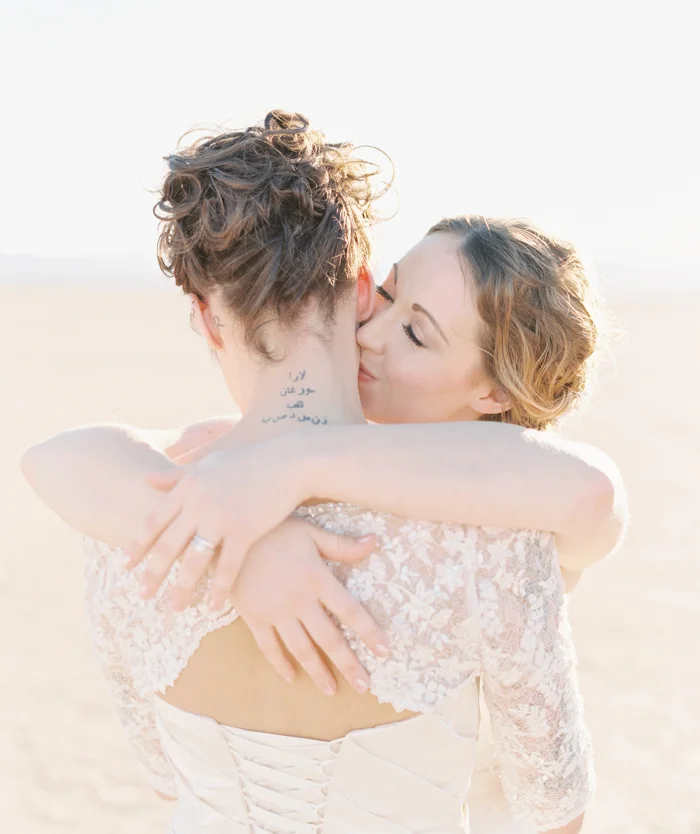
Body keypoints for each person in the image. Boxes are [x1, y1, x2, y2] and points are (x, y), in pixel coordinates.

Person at [22, 110, 608, 833]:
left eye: (417, 329)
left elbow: (169, 786)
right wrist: (255, 541)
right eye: (390, 301)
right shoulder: (496, 540)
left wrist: (233, 539)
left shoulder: (135, 524)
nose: (381, 335)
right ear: (362, 287)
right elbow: (554, 815)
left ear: (206, 319)